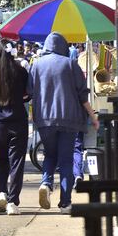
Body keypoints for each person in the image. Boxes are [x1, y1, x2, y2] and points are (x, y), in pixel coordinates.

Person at [28, 32, 98, 214]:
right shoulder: (71, 64)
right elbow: (83, 94)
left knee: (50, 155)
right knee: (66, 160)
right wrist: (93, 116)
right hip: (69, 118)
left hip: (44, 118)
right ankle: (65, 203)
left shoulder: (36, 65)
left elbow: (29, 92)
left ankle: (46, 182)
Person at [0, 41, 29, 215]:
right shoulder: (21, 71)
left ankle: (2, 191)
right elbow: (28, 94)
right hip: (18, 119)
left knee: (1, 159)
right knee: (17, 162)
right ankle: (13, 201)